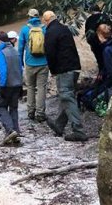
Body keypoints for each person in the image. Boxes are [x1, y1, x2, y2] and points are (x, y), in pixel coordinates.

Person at [42, 10, 87, 142]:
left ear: (46, 20)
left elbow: (50, 53)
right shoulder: (65, 29)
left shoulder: (50, 32)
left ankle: (78, 131)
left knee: (67, 97)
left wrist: (53, 70)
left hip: (64, 69)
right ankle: (59, 125)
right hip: (74, 67)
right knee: (66, 96)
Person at [18, 8, 49, 122]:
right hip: (44, 63)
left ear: (29, 17)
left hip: (30, 63)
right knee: (41, 88)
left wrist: (21, 62)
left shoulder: (25, 29)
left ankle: (31, 112)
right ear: (38, 16)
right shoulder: (45, 28)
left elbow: (20, 48)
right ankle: (40, 114)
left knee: (30, 87)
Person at [0, 30, 23, 145]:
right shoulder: (16, 52)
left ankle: (10, 130)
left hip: (7, 85)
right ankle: (16, 133)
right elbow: (21, 69)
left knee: (1, 106)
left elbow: (3, 71)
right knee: (13, 108)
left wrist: (2, 87)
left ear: (0, 41)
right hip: (17, 84)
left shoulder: (2, 53)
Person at [84, 4, 112, 73]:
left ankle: (102, 74)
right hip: (107, 42)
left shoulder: (89, 19)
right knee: (109, 60)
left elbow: (87, 33)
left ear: (91, 11)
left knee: (100, 61)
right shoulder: (105, 17)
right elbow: (111, 29)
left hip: (95, 44)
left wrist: (91, 43)